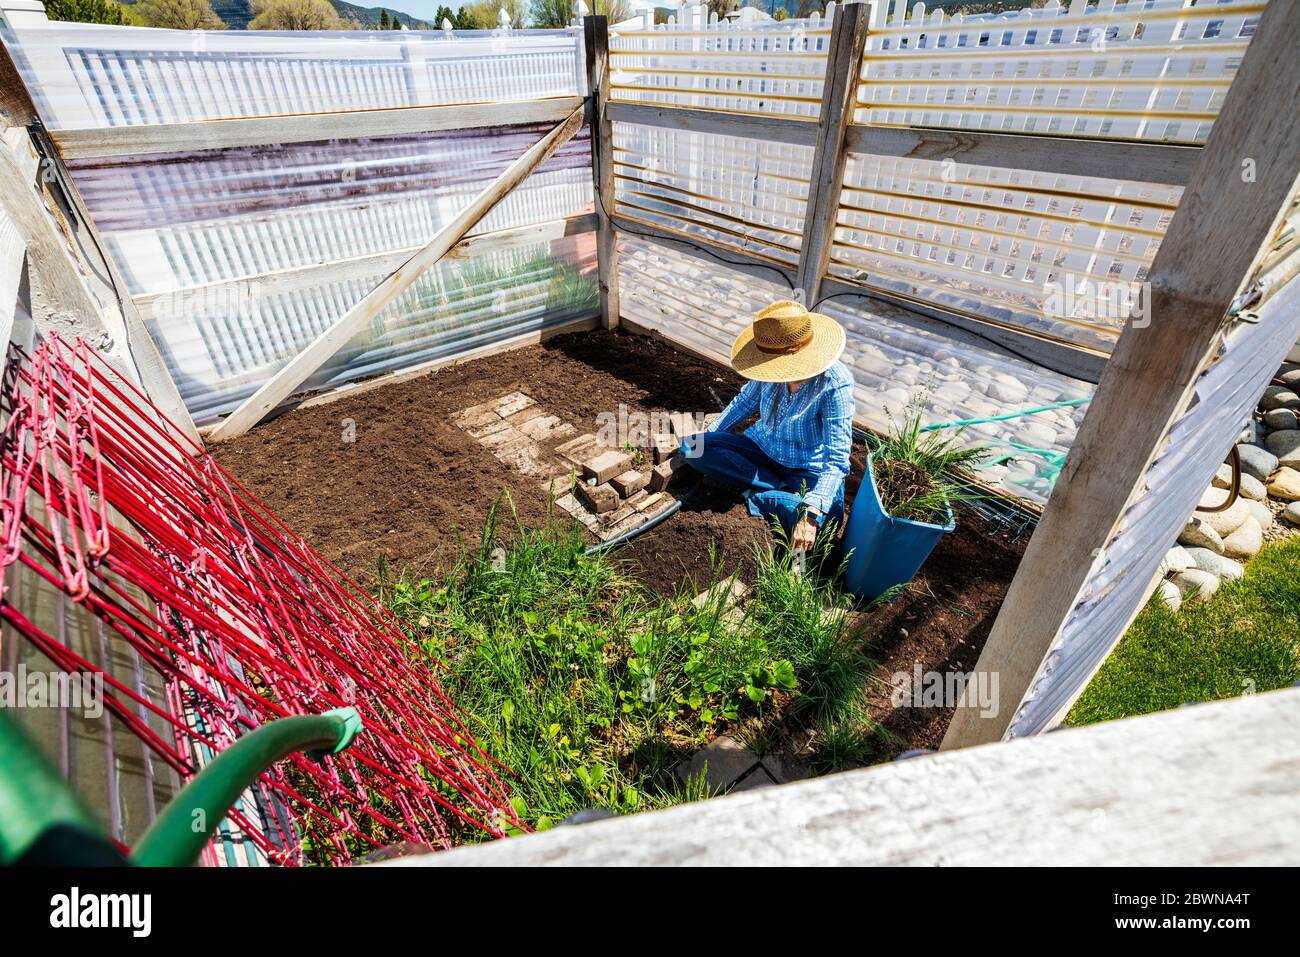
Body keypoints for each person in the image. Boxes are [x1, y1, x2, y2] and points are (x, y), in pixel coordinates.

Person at [681, 299, 854, 553]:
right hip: (761, 447)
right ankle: (777, 493)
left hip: (806, 469)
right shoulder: (768, 367)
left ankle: (757, 494)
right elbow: (745, 402)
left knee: (827, 525)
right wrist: (712, 434)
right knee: (690, 447)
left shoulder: (834, 385)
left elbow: (837, 458)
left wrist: (812, 513)